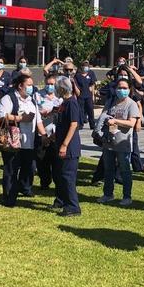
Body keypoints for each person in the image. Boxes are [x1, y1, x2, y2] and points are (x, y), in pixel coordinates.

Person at [0, 74, 49, 207]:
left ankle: (24, 188)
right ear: (20, 86)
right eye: (29, 85)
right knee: (11, 170)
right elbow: (2, 116)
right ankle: (8, 197)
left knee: (29, 168)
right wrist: (20, 118)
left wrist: (43, 135)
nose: (32, 88)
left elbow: (38, 121)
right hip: (13, 142)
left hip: (29, 142)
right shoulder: (8, 98)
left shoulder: (32, 101)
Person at [97, 78, 141, 206]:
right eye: (119, 88)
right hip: (109, 141)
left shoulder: (131, 104)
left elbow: (131, 123)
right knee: (108, 169)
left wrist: (116, 121)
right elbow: (103, 116)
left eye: (124, 88)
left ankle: (127, 196)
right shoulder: (111, 102)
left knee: (125, 170)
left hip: (123, 143)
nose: (122, 90)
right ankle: (108, 194)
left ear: (129, 89)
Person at [52, 76, 81, 217]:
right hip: (60, 143)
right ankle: (62, 201)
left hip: (70, 147)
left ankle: (73, 207)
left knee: (68, 176)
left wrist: (64, 145)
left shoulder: (72, 103)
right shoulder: (64, 103)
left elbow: (73, 124)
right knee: (61, 175)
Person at [35, 74, 63, 190]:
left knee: (56, 160)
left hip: (56, 133)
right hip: (42, 132)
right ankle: (44, 182)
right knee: (42, 160)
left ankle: (57, 183)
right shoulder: (38, 95)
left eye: (52, 84)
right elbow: (38, 112)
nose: (50, 86)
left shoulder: (60, 97)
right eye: (48, 84)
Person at [75, 60, 97, 130]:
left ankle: (92, 125)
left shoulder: (90, 74)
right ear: (81, 67)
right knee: (80, 111)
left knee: (90, 110)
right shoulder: (78, 75)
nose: (86, 68)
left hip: (89, 95)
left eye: (87, 66)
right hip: (81, 96)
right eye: (84, 66)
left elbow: (92, 84)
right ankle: (80, 124)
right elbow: (75, 84)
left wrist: (93, 95)